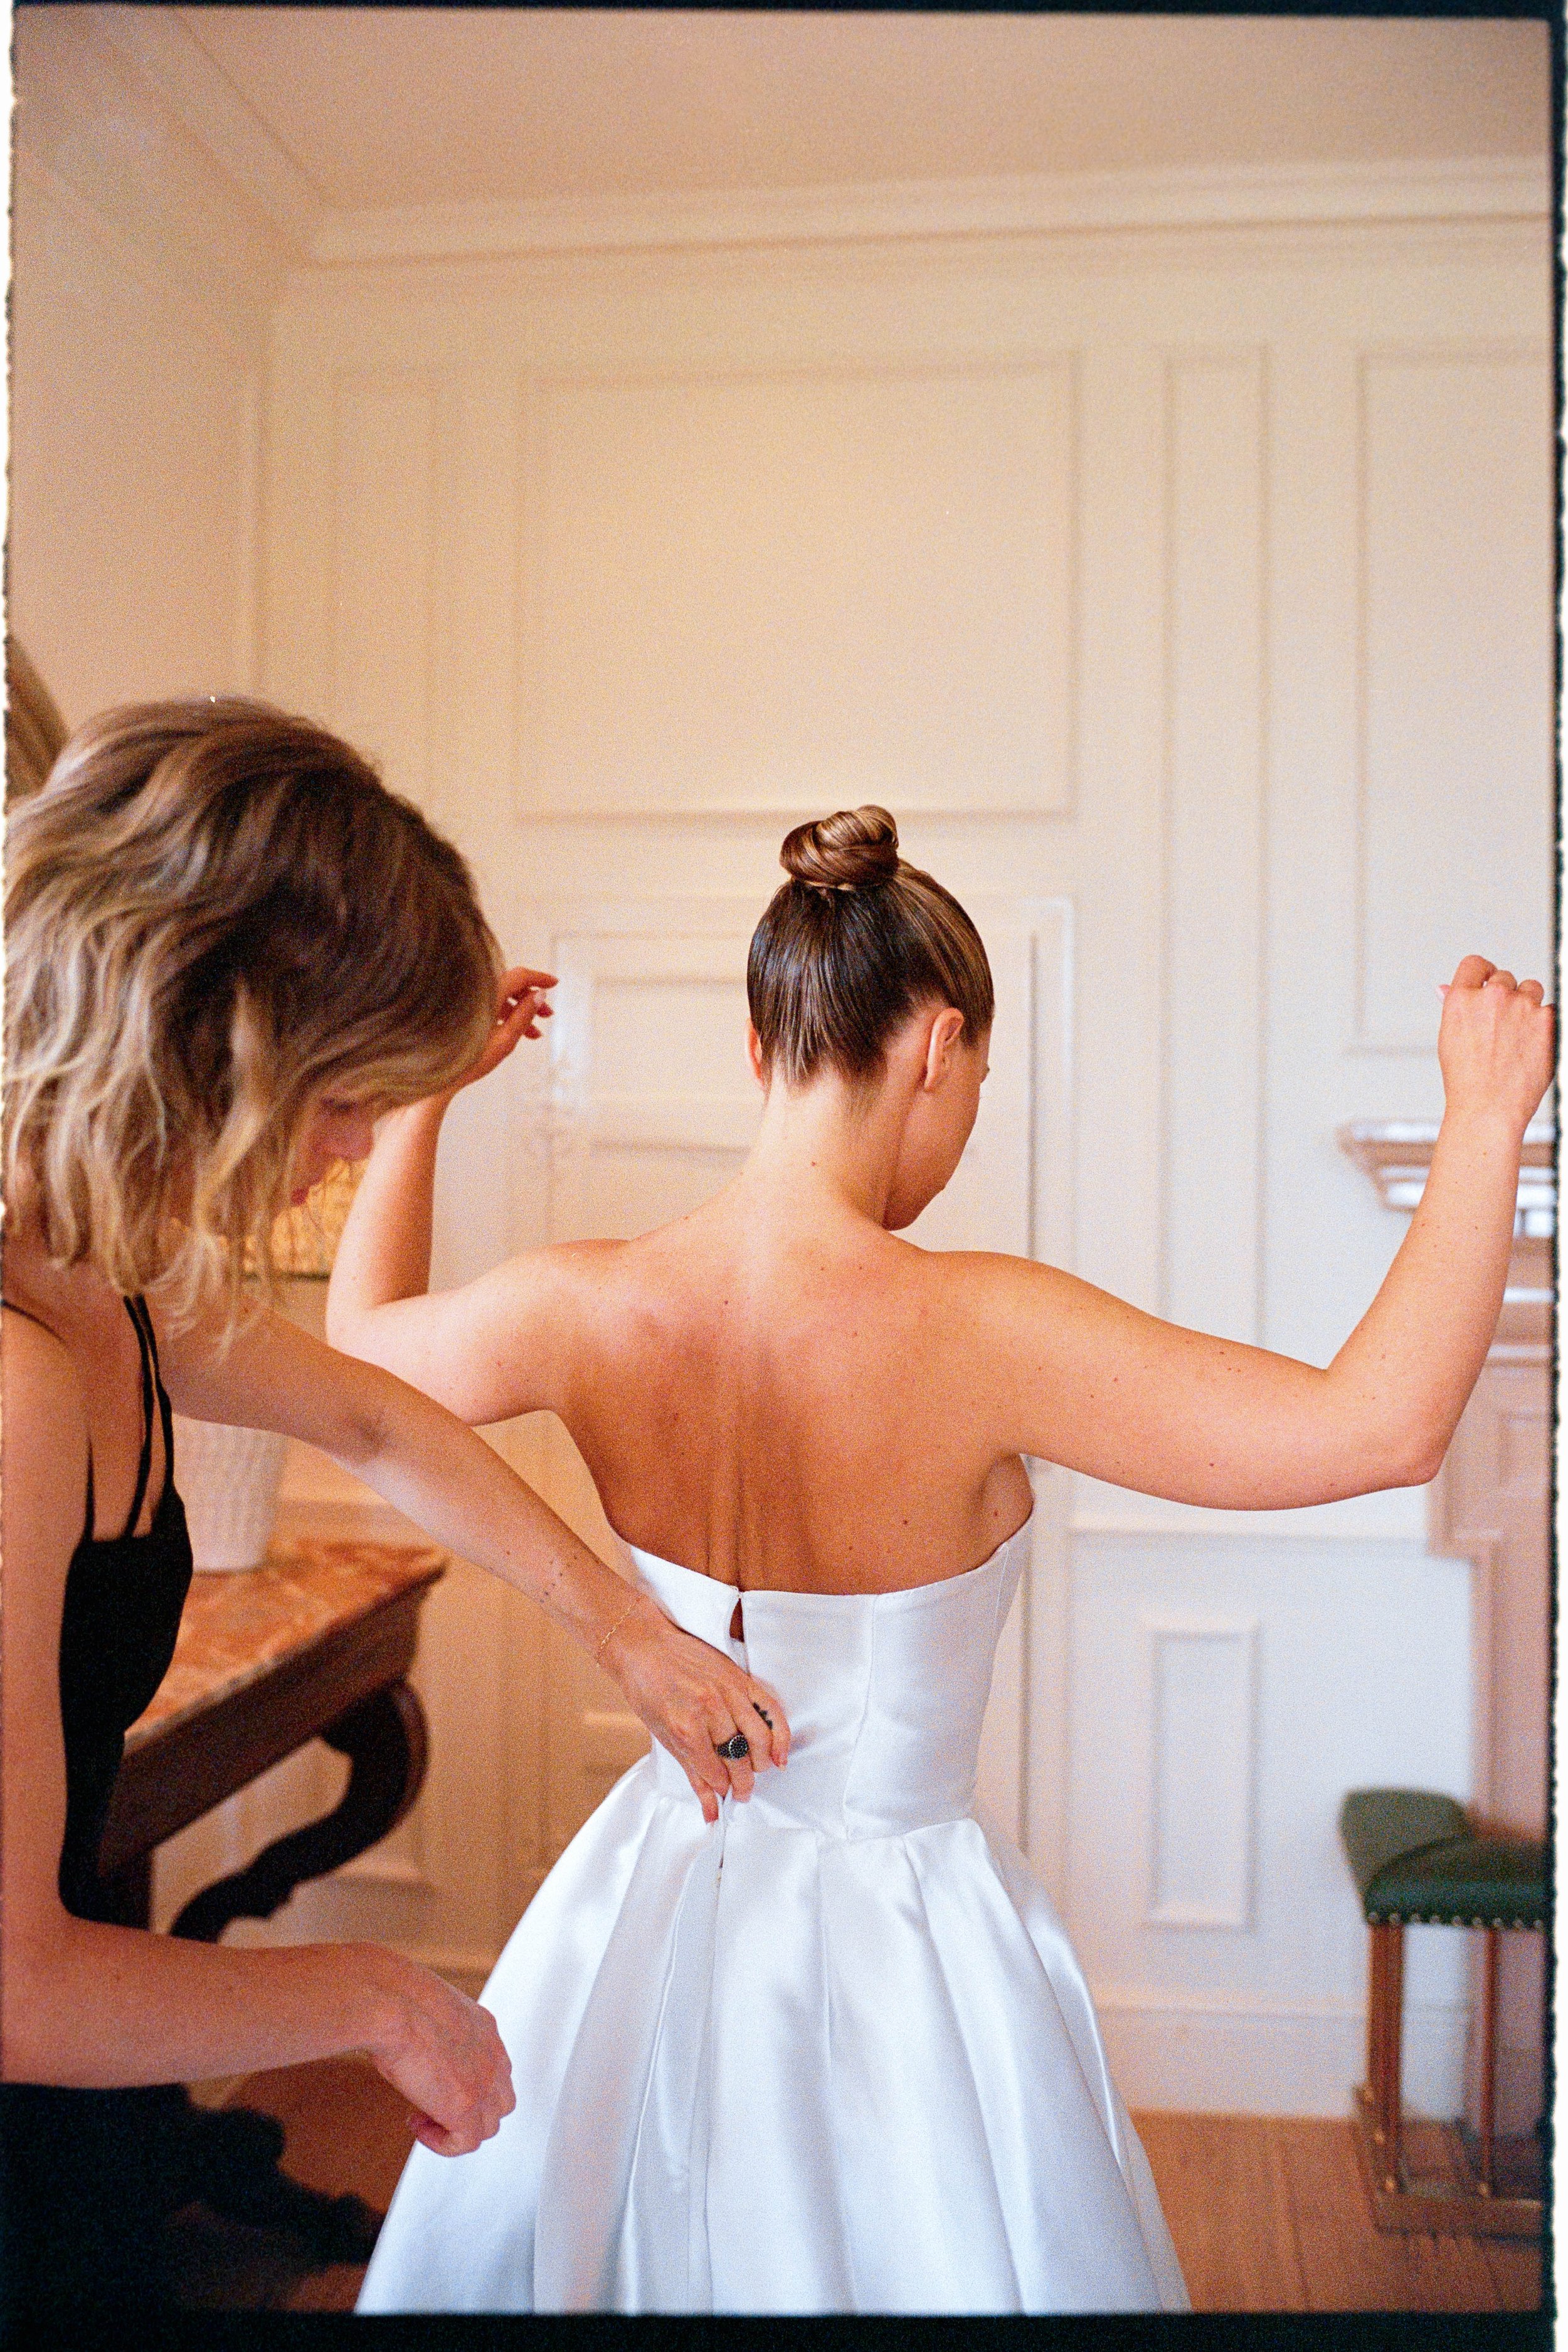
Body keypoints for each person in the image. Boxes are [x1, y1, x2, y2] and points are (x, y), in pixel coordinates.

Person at [336, 805, 1552, 2316]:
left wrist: (419, 1109)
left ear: (758, 1049)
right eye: (976, 1078)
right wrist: (1483, 1120)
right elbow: (1377, 1427)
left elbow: (360, 1353)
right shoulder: (984, 1328)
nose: (968, 1109)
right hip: (900, 1942)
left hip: (640, 1907)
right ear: (936, 1044)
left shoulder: (583, 1303)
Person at [0, 699, 787, 2316]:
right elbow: (13, 1986)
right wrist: (375, 1996)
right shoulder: (13, 1382)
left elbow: (372, 1415)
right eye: (347, 1096)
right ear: (214, 1035)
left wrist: (629, 1635)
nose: (353, 1147)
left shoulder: (110, 1280)